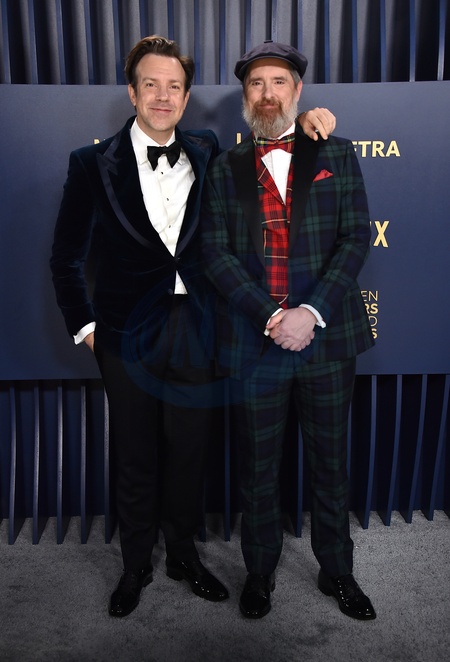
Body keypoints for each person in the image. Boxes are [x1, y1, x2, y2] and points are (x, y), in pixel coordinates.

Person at [50, 35, 337, 618]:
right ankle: (135, 565)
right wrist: (88, 330)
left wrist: (309, 121)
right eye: (151, 85)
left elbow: (273, 136)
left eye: (174, 87)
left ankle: (182, 554)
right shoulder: (90, 163)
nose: (163, 96)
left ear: (185, 97)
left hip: (199, 329)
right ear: (132, 93)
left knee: (189, 454)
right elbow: (66, 258)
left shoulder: (208, 150)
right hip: (125, 334)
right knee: (135, 456)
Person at [201, 41, 376, 621]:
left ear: (297, 91)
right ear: (245, 96)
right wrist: (272, 317)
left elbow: (355, 237)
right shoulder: (223, 168)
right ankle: (259, 571)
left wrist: (310, 312)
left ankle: (337, 569)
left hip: (326, 338)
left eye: (279, 82)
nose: (268, 93)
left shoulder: (336, 153)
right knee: (257, 467)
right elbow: (215, 253)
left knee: (330, 462)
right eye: (257, 83)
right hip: (255, 343)